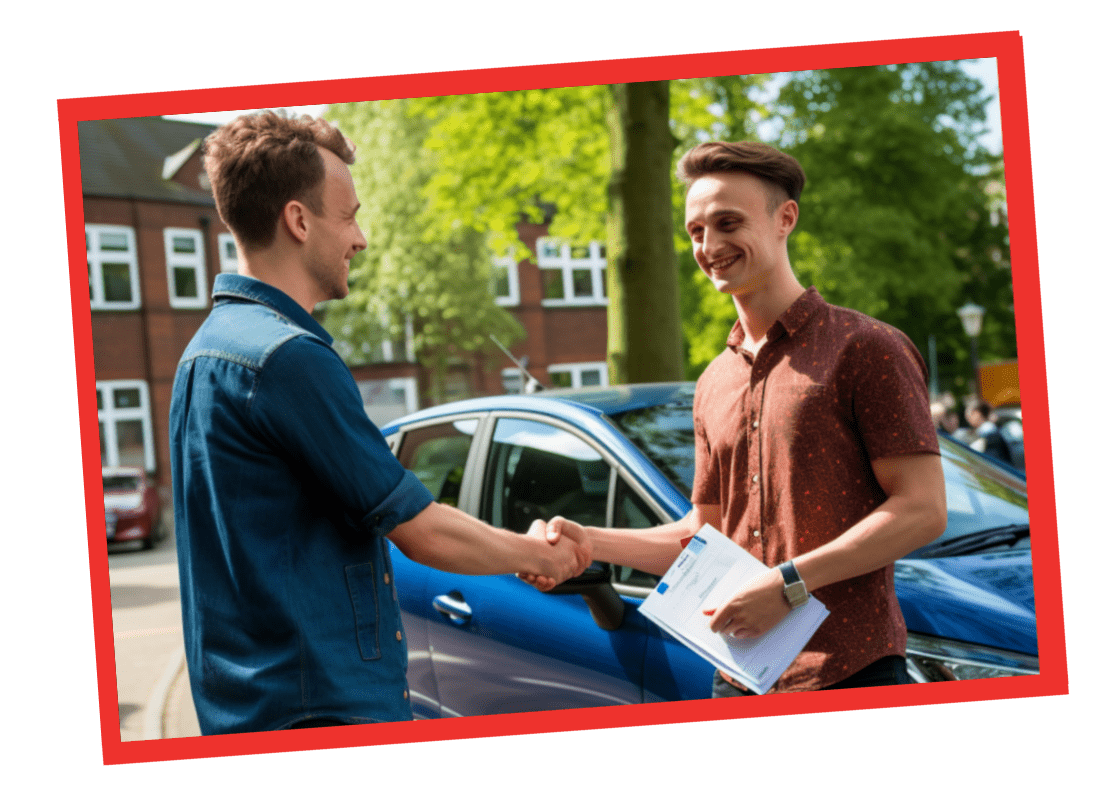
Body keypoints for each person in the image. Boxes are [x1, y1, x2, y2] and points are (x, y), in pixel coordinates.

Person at [169, 111, 590, 735]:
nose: (360, 238)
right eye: (349, 216)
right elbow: (421, 531)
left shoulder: (201, 357)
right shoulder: (288, 359)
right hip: (322, 708)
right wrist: (539, 555)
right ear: (298, 220)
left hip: (249, 710)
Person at [524, 141, 947, 696]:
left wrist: (788, 584)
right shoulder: (713, 383)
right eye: (696, 231)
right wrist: (589, 540)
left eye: (728, 223)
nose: (709, 246)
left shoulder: (866, 348)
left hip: (853, 673)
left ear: (785, 218)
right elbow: (703, 534)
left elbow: (923, 510)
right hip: (738, 676)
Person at [965, 398, 1013, 464]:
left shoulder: (988, 430)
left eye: (969, 414)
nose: (967, 418)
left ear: (977, 413)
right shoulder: (986, 430)